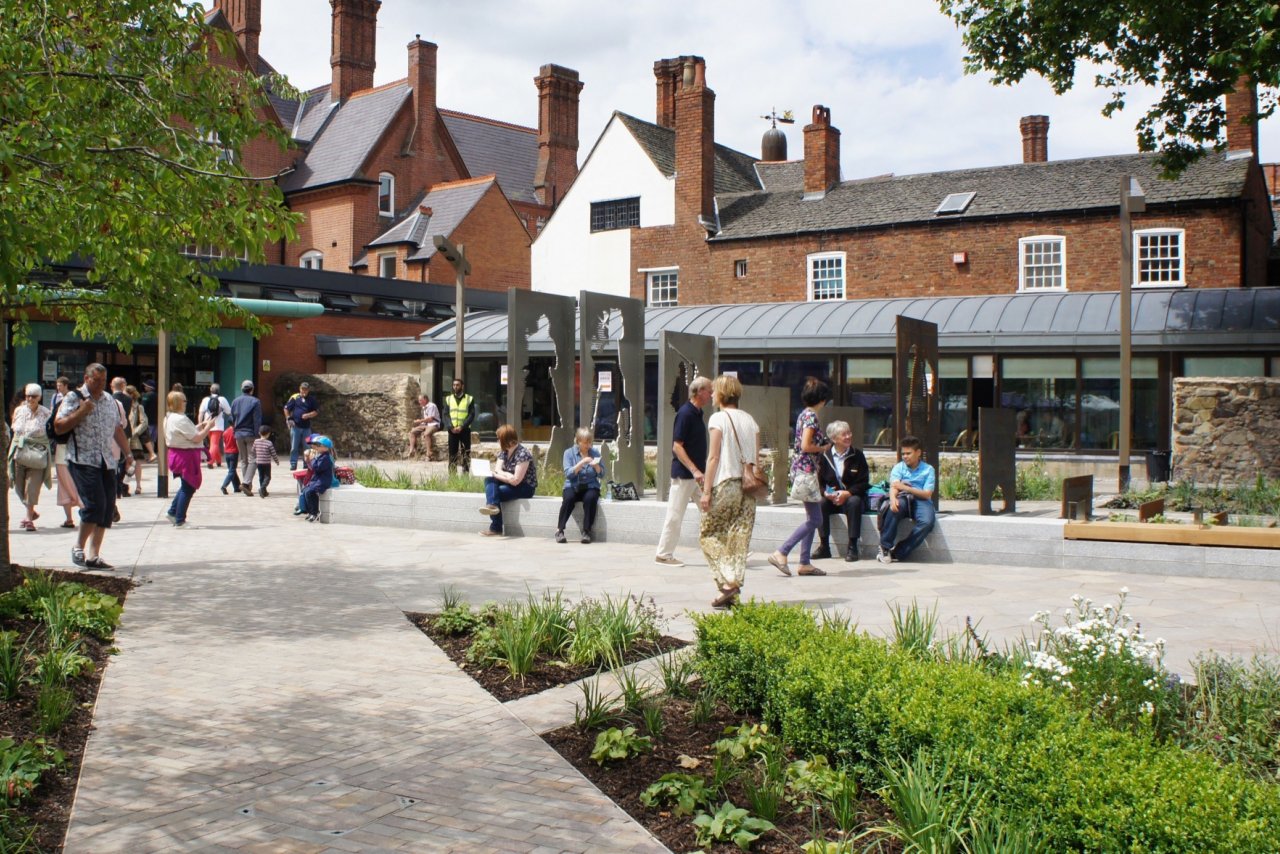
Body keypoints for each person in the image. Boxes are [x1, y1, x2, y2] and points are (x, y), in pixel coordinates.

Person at [56, 363, 133, 569]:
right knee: (94, 505)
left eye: (102, 381)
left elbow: (117, 429)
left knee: (107, 508)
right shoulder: (74, 398)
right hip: (82, 459)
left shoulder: (110, 400)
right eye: (95, 380)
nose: (99, 384)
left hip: (106, 460)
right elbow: (59, 425)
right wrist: (82, 411)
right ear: (86, 378)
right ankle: (78, 547)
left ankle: (93, 555)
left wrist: (128, 453)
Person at [698, 375, 761, 609]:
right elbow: (755, 457)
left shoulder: (718, 418)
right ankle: (731, 586)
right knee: (739, 537)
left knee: (709, 534)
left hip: (726, 482)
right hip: (748, 485)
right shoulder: (750, 420)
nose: (712, 395)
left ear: (722, 394)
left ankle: (728, 583)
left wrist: (706, 491)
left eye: (714, 391)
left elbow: (713, 457)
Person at [770, 378, 832, 578]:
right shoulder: (811, 417)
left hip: (801, 469)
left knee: (811, 517)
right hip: (806, 471)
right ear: (822, 399)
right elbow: (806, 445)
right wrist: (822, 448)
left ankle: (805, 562)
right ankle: (782, 551)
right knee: (815, 518)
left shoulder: (803, 414)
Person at [654, 376, 712, 567]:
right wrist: (695, 469)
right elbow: (677, 447)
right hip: (685, 475)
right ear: (699, 392)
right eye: (709, 390)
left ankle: (724, 551)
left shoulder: (697, 413)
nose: (711, 394)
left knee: (712, 512)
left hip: (696, 477)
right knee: (675, 515)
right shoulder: (685, 413)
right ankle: (663, 554)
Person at [814, 419, 870, 562]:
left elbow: (864, 482)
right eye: (844, 434)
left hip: (851, 496)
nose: (848, 437)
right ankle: (824, 546)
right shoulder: (824, 455)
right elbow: (818, 481)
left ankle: (852, 546)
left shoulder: (857, 455)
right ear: (834, 439)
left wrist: (848, 493)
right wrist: (825, 493)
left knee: (854, 502)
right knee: (821, 503)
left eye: (849, 433)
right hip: (832, 497)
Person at [877, 435, 938, 565]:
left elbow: (927, 494)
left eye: (908, 453)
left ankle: (899, 551)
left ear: (918, 453)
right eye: (903, 453)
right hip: (903, 497)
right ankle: (884, 547)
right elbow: (894, 486)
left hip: (921, 500)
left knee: (927, 522)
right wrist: (893, 499)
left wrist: (905, 487)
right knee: (894, 508)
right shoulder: (899, 467)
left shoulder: (928, 470)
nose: (905, 456)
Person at [163, 389, 215, 528]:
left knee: (186, 485)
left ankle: (173, 512)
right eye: (184, 400)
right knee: (189, 486)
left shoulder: (169, 417)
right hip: (185, 455)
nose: (186, 403)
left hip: (177, 453)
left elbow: (188, 431)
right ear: (179, 403)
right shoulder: (180, 419)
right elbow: (196, 437)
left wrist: (202, 425)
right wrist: (208, 427)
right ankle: (180, 519)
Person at [478, 424, 536, 537]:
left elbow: (516, 481)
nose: (497, 440)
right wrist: (507, 475)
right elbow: (497, 470)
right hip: (510, 481)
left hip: (525, 487)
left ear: (505, 439)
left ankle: (495, 527)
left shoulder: (523, 453)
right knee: (489, 479)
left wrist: (500, 475)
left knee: (494, 493)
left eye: (499, 438)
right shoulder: (504, 452)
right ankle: (493, 506)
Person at [9, 383, 52, 532]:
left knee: (32, 487)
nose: (30, 399)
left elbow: (50, 433)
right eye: (28, 395)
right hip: (20, 452)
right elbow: (15, 430)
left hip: (37, 453)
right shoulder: (19, 410)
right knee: (18, 486)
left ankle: (28, 518)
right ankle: (31, 512)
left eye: (33, 396)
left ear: (39, 397)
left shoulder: (46, 413)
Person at [555, 427, 602, 544]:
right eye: (585, 442)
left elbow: (602, 474)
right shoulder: (568, 453)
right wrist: (582, 462)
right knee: (569, 498)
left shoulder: (595, 453)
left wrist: (597, 467)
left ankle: (586, 531)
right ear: (578, 441)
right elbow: (568, 474)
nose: (588, 445)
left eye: (590, 442)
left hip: (590, 486)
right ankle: (559, 530)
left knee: (590, 498)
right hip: (573, 485)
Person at [51, 376, 81, 528]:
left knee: (66, 483)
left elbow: (51, 426)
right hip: (72, 448)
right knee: (71, 482)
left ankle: (75, 514)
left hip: (65, 448)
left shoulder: (59, 405)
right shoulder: (81, 406)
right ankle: (76, 515)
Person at [229, 379, 262, 496]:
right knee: (253, 459)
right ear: (252, 390)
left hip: (238, 434)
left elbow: (231, 419)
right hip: (251, 434)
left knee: (243, 460)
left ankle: (247, 484)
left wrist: (235, 429)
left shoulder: (235, 401)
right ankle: (246, 482)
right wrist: (258, 434)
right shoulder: (255, 401)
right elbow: (257, 420)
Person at [294, 435, 334, 522]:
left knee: (310, 492)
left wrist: (312, 459)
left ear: (325, 447)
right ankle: (309, 511)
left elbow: (317, 468)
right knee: (305, 490)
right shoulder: (320, 456)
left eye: (318, 445)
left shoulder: (325, 458)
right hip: (317, 480)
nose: (316, 447)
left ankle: (315, 512)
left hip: (323, 481)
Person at [442, 378, 476, 475]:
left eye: (457, 385)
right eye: (454, 385)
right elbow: (445, 414)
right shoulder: (448, 399)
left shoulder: (469, 399)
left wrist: (462, 426)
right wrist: (450, 426)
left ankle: (465, 474)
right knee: (452, 454)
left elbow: (471, 415)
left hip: (464, 430)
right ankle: (452, 475)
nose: (455, 387)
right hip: (452, 430)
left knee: (466, 453)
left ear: (462, 386)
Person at [283, 381, 319, 471]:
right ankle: (293, 463)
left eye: (306, 390)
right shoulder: (295, 397)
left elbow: (316, 411)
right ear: (300, 389)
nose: (304, 391)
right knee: (294, 446)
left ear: (308, 390)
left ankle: (306, 463)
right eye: (303, 389)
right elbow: (286, 408)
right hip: (296, 427)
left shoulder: (311, 399)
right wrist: (288, 418)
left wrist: (308, 415)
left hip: (306, 427)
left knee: (307, 446)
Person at [110, 377, 133, 498]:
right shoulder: (128, 399)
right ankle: (122, 486)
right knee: (123, 460)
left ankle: (116, 488)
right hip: (125, 431)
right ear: (123, 386)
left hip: (112, 435)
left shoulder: (110, 400)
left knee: (114, 461)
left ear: (111, 386)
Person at [198, 384, 230, 469]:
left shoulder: (205, 399)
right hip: (218, 425)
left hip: (207, 424)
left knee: (213, 443)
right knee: (215, 444)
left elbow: (201, 413)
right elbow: (229, 411)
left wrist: (201, 424)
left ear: (210, 390)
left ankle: (218, 461)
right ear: (219, 390)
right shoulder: (222, 399)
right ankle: (210, 461)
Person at [126, 384, 149, 496]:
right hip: (124, 437)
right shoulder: (121, 404)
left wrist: (135, 432)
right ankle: (124, 485)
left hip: (134, 438)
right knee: (125, 462)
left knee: (138, 462)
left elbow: (144, 421)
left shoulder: (138, 407)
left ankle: (138, 485)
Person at [406, 393, 441, 459]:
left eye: (420, 400)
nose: (419, 402)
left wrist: (420, 421)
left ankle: (428, 453)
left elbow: (430, 419)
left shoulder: (432, 406)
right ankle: (411, 450)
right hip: (426, 424)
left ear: (425, 399)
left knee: (426, 434)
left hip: (434, 424)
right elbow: (425, 420)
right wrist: (419, 422)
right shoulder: (424, 407)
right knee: (412, 432)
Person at [252, 425, 279, 497]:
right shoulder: (269, 443)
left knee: (261, 477)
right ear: (268, 434)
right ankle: (262, 488)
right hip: (266, 463)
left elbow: (253, 451)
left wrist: (255, 457)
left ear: (259, 433)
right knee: (268, 477)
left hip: (259, 462)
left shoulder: (256, 441)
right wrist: (276, 461)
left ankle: (264, 491)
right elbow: (273, 453)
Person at [139, 378, 159, 459]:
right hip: (156, 420)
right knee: (153, 439)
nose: (145, 387)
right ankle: (152, 453)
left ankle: (151, 454)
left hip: (148, 421)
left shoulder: (146, 396)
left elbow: (142, 408)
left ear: (149, 387)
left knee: (146, 438)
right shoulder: (158, 395)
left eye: (146, 386)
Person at [219, 425, 240, 495]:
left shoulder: (225, 432)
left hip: (227, 453)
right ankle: (224, 486)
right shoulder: (235, 431)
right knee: (232, 471)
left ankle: (237, 487)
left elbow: (224, 443)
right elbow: (237, 442)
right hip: (234, 452)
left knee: (232, 470)